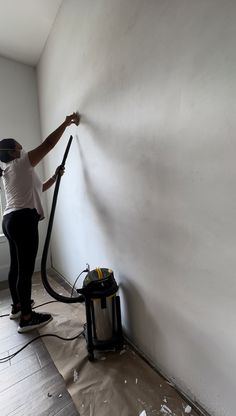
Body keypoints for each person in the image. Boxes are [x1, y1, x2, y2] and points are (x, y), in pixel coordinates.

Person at [0, 111, 80, 333]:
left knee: (17, 266)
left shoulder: (9, 170)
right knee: (25, 271)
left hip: (9, 220)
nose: (23, 147)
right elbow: (48, 144)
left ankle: (17, 307)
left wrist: (55, 177)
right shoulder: (20, 162)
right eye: (19, 145)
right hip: (23, 220)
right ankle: (27, 317)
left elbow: (38, 188)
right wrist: (66, 123)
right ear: (12, 151)